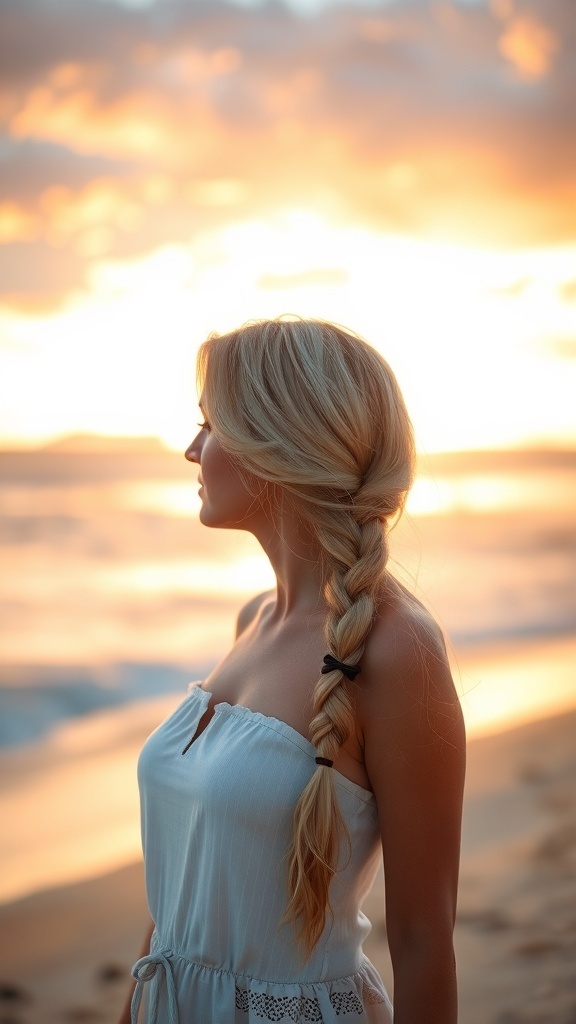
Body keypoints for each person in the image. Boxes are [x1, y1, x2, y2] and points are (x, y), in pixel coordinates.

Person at [118, 317, 466, 1024]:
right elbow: (185, 891)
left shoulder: (397, 652)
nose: (190, 450)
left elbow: (425, 940)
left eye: (209, 426)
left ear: (274, 445)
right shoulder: (253, 620)